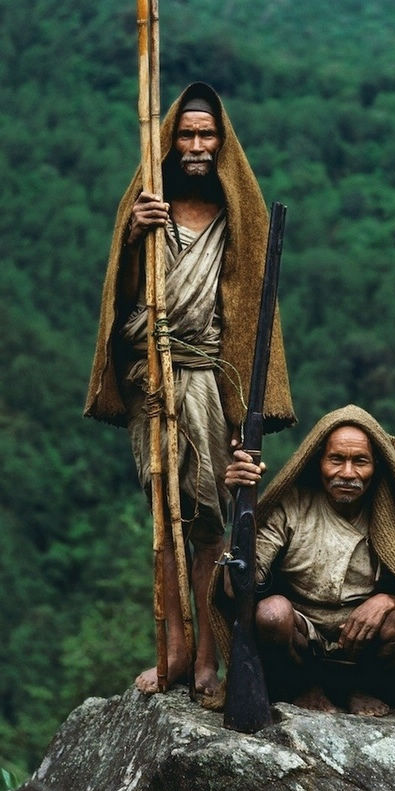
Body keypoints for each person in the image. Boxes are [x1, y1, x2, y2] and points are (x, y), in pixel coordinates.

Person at [84, 82, 295, 696]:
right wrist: (133, 234)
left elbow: (249, 320)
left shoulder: (238, 217)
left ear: (221, 145)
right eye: (187, 134)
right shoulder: (146, 211)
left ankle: (209, 657)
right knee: (163, 513)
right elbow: (119, 304)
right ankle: (172, 648)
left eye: (207, 136)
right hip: (153, 380)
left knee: (208, 522)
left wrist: (240, 418)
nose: (197, 146)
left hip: (208, 382)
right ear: (170, 141)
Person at [216, 404, 395, 749]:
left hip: (363, 647)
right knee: (271, 614)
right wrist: (240, 506)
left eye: (360, 461)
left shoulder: (389, 513)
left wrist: (388, 601)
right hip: (301, 638)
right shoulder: (292, 506)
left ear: (376, 467)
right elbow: (239, 586)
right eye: (336, 459)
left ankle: (364, 688)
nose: (347, 472)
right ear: (318, 462)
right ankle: (303, 687)